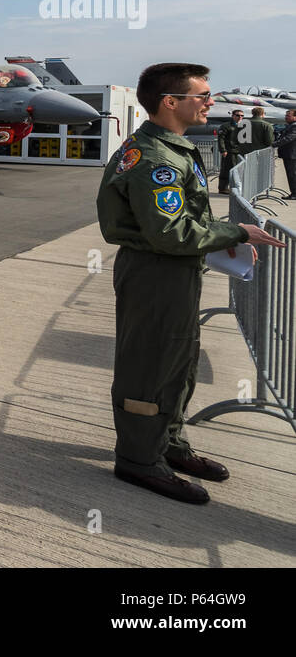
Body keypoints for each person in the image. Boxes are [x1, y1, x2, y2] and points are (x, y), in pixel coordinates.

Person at [96, 63, 284, 503]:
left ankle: (168, 443)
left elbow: (183, 221)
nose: (210, 102)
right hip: (155, 272)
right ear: (171, 102)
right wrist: (236, 232)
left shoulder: (172, 148)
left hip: (173, 269)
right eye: (203, 95)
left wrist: (221, 241)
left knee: (178, 361)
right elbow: (168, 232)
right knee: (150, 366)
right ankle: (139, 460)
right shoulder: (157, 159)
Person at [217, 108, 244, 192]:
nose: (240, 117)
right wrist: (223, 150)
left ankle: (235, 188)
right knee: (227, 170)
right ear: (233, 116)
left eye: (242, 115)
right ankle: (223, 188)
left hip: (239, 152)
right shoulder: (226, 126)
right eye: (237, 115)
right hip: (229, 151)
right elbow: (221, 139)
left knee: (238, 171)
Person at [274, 109, 296, 200]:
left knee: (292, 175)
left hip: (292, 155)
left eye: (288, 116)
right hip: (289, 154)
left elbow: (288, 138)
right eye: (286, 115)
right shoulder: (290, 125)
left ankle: (294, 194)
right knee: (292, 175)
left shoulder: (294, 127)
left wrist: (274, 144)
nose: (286, 117)